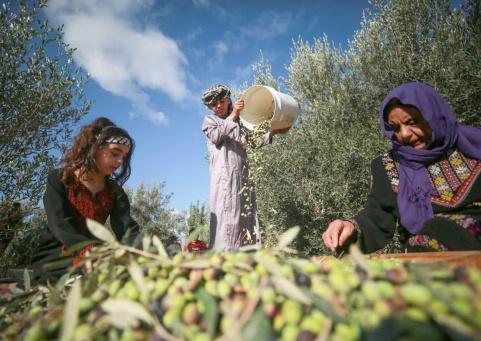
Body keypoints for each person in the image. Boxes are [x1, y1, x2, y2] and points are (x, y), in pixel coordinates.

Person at [323, 82, 481, 253]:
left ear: (433, 115)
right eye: (396, 128)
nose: (404, 134)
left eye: (412, 121)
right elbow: (376, 217)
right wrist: (349, 226)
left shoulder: (474, 145)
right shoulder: (388, 166)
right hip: (426, 258)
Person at [32, 117, 139, 282]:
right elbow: (60, 223)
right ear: (94, 148)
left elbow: (127, 231)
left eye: (124, 157)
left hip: (95, 259)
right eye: (115, 153)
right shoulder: (59, 179)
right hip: (55, 260)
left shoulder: (115, 192)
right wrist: (89, 251)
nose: (120, 161)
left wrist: (145, 253)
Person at [201, 84, 289, 251]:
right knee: (227, 219)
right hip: (224, 180)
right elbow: (216, 136)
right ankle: (226, 260)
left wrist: (273, 132)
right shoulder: (210, 121)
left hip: (243, 179)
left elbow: (251, 142)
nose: (218, 106)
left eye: (221, 101)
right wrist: (234, 114)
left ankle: (249, 258)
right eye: (213, 104)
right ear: (208, 107)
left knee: (246, 217)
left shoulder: (240, 122)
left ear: (228, 99)